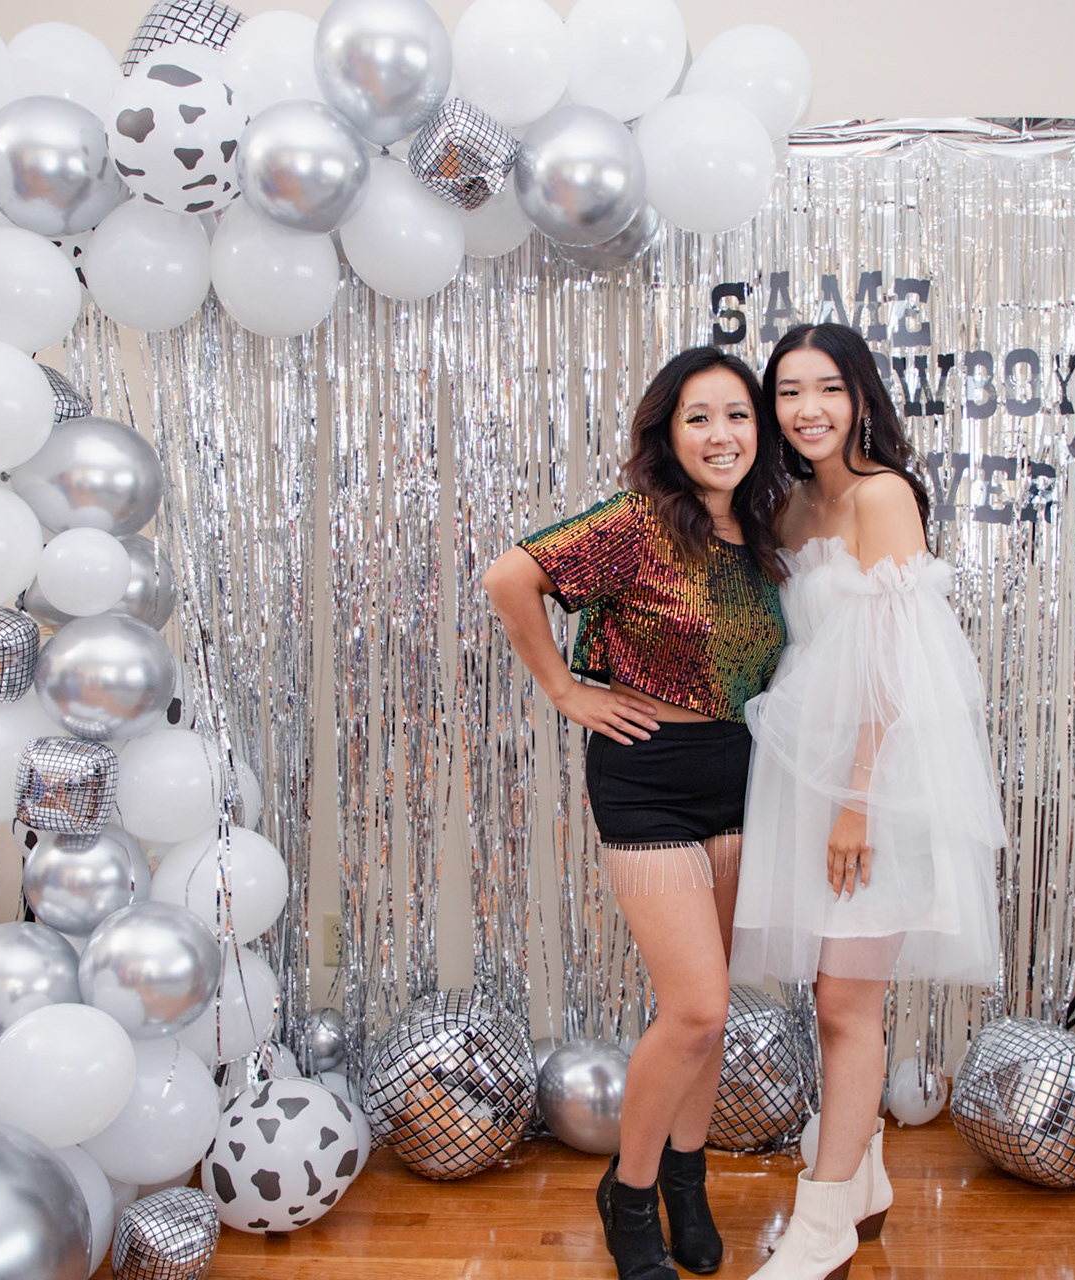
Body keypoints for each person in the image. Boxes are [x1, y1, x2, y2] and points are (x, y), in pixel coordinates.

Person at [482, 346, 789, 1280]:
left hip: (739, 774)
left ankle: (687, 1182)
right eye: (699, 417)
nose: (721, 434)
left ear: (759, 429)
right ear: (669, 433)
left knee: (712, 1015)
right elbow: (509, 578)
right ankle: (631, 1193)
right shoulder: (639, 523)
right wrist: (565, 689)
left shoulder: (765, 536)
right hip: (646, 773)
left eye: (737, 415)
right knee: (694, 1007)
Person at [734, 323, 1005, 1280]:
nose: (807, 409)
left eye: (827, 389)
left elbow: (897, 663)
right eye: (788, 392)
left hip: (875, 780)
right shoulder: (791, 504)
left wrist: (856, 802)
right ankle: (866, 1179)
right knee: (829, 994)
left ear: (859, 398)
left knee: (847, 1000)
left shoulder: (883, 494)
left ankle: (822, 1226)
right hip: (803, 772)